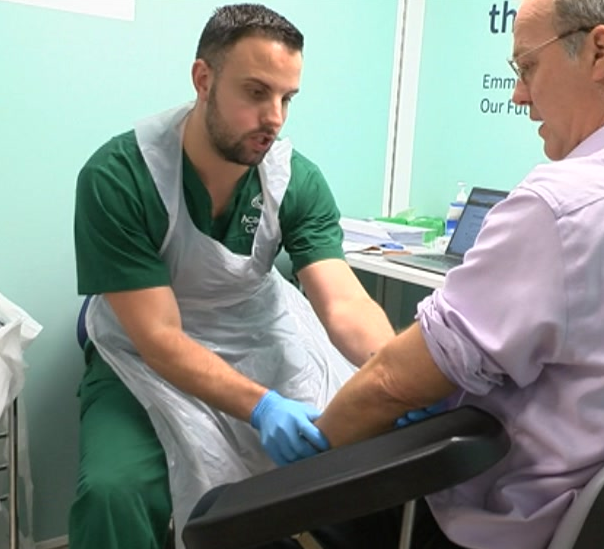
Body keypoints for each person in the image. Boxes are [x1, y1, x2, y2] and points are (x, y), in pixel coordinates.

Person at [308, 0, 604, 548]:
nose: (519, 94)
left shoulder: (562, 208)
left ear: (599, 51)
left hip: (502, 524)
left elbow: (395, 382)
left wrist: (307, 456)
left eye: (527, 67)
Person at [69, 4, 395, 549]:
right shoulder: (119, 177)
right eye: (256, 92)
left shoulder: (295, 180)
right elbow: (160, 339)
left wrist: (394, 374)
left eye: (287, 98)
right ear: (204, 79)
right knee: (115, 492)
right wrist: (262, 405)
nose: (275, 117)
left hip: (261, 335)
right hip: (141, 355)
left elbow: (342, 304)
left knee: (364, 462)